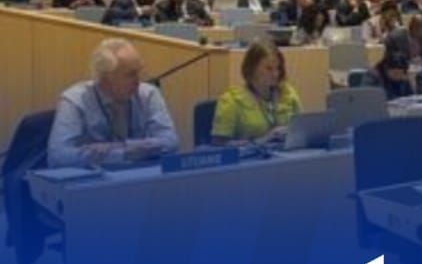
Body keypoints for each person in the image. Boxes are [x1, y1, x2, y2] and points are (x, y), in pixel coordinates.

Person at [47, 38, 179, 168]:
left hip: (140, 176)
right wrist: (121, 155)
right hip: (94, 179)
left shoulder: (148, 94)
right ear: (106, 77)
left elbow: (171, 142)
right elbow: (58, 157)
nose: (138, 81)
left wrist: (120, 147)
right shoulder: (75, 100)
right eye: (131, 74)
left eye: (140, 72)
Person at [210, 40, 302, 144]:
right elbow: (219, 144)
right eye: (269, 69)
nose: (275, 74)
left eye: (278, 68)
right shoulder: (231, 101)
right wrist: (261, 140)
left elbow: (301, 130)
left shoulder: (288, 94)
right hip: (250, 154)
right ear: (252, 69)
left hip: (285, 153)